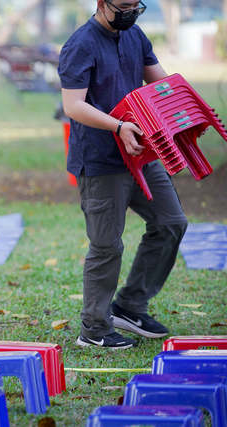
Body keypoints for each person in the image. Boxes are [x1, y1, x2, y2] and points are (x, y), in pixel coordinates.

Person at [58, 0, 188, 349]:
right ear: (102, 3)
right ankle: (94, 329)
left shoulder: (135, 35)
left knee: (171, 222)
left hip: (143, 155)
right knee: (106, 246)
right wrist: (118, 126)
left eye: (137, 5)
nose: (131, 12)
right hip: (101, 161)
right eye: (124, 5)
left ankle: (130, 306)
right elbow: (73, 105)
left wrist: (185, 103)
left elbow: (161, 83)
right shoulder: (80, 44)